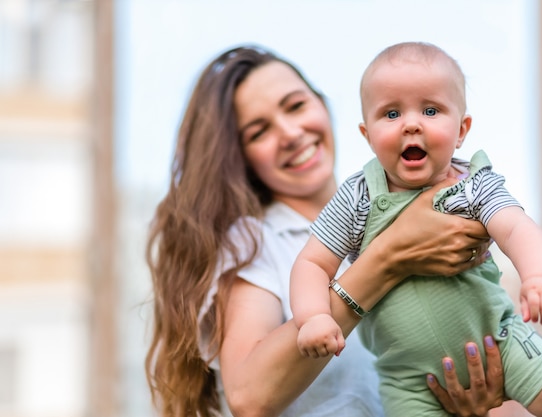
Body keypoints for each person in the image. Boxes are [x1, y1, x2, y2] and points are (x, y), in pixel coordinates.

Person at [144, 44, 510, 417]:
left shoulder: (416, 205)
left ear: (323, 104)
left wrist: (481, 405)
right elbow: (248, 396)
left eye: (296, 106)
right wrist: (386, 260)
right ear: (241, 157)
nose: (290, 133)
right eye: (259, 132)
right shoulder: (256, 242)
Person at [290, 42, 542, 417]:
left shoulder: (473, 184)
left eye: (430, 110)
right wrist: (313, 316)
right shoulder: (358, 196)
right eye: (391, 113)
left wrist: (540, 276)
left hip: (500, 341)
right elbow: (312, 263)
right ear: (367, 135)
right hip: (410, 381)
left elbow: (517, 228)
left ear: (461, 129)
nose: (411, 123)